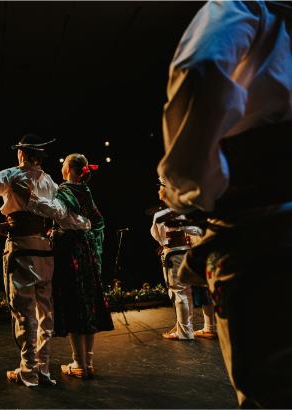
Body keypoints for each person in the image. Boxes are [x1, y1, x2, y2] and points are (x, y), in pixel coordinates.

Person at [158, 1, 292, 406]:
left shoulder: (248, 5)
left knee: (273, 388)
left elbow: (201, 70)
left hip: (268, 223)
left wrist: (193, 187)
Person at [0, 134, 89, 387]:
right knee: (46, 312)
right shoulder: (50, 183)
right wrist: (84, 224)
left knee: (24, 312)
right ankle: (42, 369)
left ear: (22, 153)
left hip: (21, 247)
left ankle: (28, 371)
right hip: (45, 250)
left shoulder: (11, 175)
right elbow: (64, 215)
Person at [25, 153, 114, 379]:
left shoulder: (64, 191)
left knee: (75, 303)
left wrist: (31, 199)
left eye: (63, 164)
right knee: (88, 304)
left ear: (68, 169)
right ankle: (88, 362)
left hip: (70, 251)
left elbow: (58, 212)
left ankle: (79, 363)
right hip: (87, 250)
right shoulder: (86, 191)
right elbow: (97, 220)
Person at [150, 178, 216, 340]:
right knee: (191, 291)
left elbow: (159, 237)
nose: (158, 190)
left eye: (161, 186)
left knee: (179, 292)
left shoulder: (161, 214)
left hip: (174, 253)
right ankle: (196, 328)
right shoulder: (188, 212)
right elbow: (198, 230)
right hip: (189, 251)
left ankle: (185, 332)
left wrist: (167, 241)